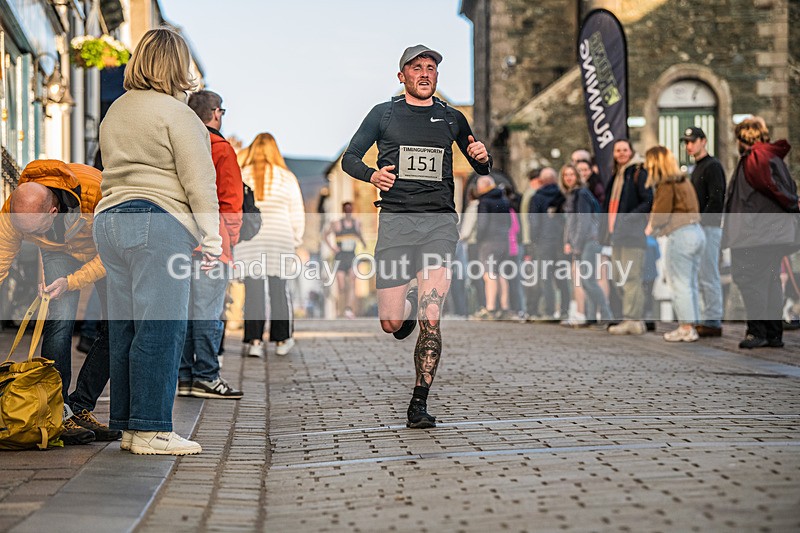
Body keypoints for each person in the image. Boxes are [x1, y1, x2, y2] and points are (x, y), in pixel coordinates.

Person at [341, 45, 491, 429]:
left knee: (432, 315)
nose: (424, 73)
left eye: (431, 68)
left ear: (436, 76)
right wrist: (373, 175)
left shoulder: (452, 117)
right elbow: (350, 158)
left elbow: (480, 164)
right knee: (392, 323)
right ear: (402, 76)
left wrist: (481, 156)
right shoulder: (384, 114)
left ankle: (418, 403)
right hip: (395, 223)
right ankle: (406, 296)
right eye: (416, 68)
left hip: (439, 223)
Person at [93, 27, 222, 455]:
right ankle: (151, 430)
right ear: (177, 67)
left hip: (110, 220)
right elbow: (199, 181)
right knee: (161, 327)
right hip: (159, 221)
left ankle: (130, 427)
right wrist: (213, 238)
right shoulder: (178, 113)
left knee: (126, 328)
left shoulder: (116, 110)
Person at [1, 160, 121, 445]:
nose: (29, 237)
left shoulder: (97, 192)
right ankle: (58, 413)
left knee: (117, 326)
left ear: (53, 212)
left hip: (102, 251)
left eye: (35, 230)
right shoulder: (14, 209)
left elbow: (112, 253)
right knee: (59, 321)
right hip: (57, 251)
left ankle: (80, 407)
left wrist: (71, 281)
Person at [179, 90, 244, 399]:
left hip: (180, 238)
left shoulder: (180, 145)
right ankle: (206, 375)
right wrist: (230, 238)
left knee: (183, 312)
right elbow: (231, 202)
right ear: (216, 113)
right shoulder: (220, 149)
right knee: (207, 312)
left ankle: (183, 376)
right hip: (212, 241)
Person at [723, 116, 799, 349]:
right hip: (769, 233)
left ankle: (757, 332)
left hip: (755, 234)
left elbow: (772, 188)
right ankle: (773, 333)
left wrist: (792, 203)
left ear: (742, 138)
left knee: (751, 281)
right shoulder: (771, 156)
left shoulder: (755, 158)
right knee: (770, 281)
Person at [234, 133, 305, 357]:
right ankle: (282, 339)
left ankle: (255, 342)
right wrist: (296, 239)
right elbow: (297, 213)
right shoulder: (286, 177)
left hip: (251, 240)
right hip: (280, 240)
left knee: (253, 291)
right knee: (278, 289)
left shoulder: (243, 174)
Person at [644, 146, 705, 342]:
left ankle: (685, 327)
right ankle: (691, 325)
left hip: (680, 235)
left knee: (679, 284)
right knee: (690, 283)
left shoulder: (666, 183)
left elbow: (660, 215)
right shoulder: (683, 180)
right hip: (696, 232)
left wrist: (650, 227)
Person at [603, 139, 653, 335]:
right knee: (618, 277)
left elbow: (649, 200)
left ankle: (632, 319)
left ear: (631, 152)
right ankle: (632, 318)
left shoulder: (638, 172)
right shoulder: (617, 174)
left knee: (631, 277)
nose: (621, 153)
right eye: (618, 150)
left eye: (625, 150)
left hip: (632, 234)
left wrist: (629, 218)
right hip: (616, 234)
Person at [683, 127, 726, 337]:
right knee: (700, 275)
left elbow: (717, 199)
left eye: (692, 141)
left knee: (709, 273)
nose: (689, 145)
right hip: (698, 228)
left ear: (703, 141)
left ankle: (713, 319)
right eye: (686, 142)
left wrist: (703, 222)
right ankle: (706, 317)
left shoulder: (713, 166)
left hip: (708, 228)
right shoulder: (696, 168)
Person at [560, 163, 612, 326]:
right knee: (585, 280)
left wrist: (576, 244)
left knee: (588, 280)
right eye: (565, 175)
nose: (568, 178)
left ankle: (606, 315)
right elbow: (571, 222)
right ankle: (591, 317)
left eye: (572, 174)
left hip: (589, 240)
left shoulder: (581, 194)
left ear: (577, 177)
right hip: (583, 241)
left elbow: (583, 221)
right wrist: (567, 241)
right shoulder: (572, 195)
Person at [528, 167, 569, 321]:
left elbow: (534, 222)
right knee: (561, 277)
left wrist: (534, 240)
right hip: (560, 242)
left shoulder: (537, 197)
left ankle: (550, 311)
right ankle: (564, 310)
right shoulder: (562, 195)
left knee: (545, 277)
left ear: (541, 180)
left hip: (543, 242)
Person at [474, 176, 512, 319]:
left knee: (489, 275)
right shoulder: (503, 200)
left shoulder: (484, 201)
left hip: (489, 242)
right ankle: (504, 307)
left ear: (483, 186)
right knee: (501, 274)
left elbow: (482, 224)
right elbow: (509, 222)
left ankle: (490, 308)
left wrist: (478, 239)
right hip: (504, 241)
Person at [324, 201, 366, 318]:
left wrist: (364, 243)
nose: (348, 212)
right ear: (343, 210)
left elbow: (360, 234)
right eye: (346, 210)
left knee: (352, 284)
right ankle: (340, 309)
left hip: (352, 256)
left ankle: (349, 309)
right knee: (341, 286)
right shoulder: (337, 224)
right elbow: (325, 235)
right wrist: (332, 247)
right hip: (340, 257)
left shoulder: (356, 223)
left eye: (350, 209)